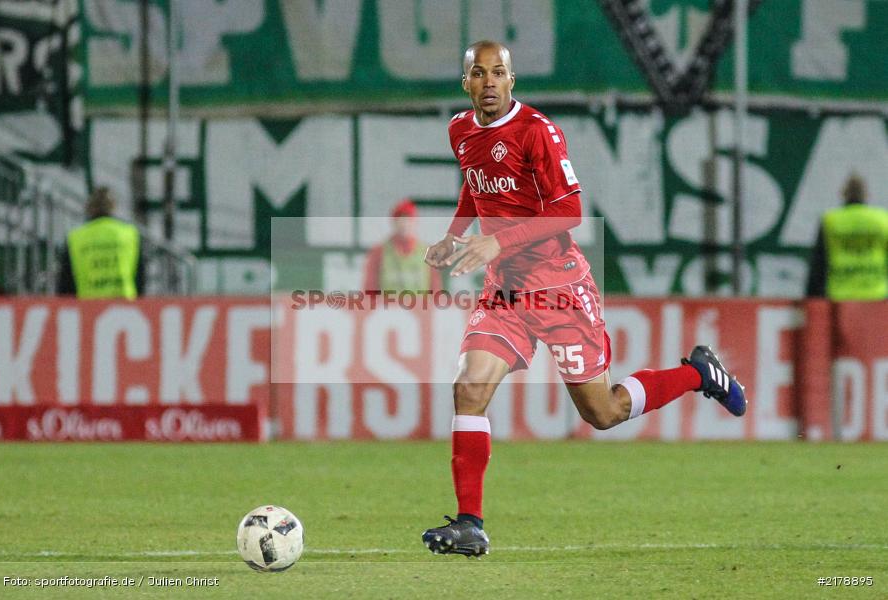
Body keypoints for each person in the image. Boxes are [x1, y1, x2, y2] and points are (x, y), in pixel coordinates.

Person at [420, 41, 747, 557]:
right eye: (478, 73)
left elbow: (570, 211)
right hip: (504, 293)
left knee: (603, 411)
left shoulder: (538, 132)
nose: (488, 82)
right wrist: (455, 234)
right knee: (468, 388)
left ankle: (698, 375)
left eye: (498, 73)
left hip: (559, 291)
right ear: (466, 83)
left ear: (512, 80)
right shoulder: (460, 130)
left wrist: (495, 240)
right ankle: (470, 523)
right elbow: (474, 185)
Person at [806, 174, 888, 301]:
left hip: (840, 295)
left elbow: (819, 263)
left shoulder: (831, 220)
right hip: (876, 293)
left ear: (843, 194)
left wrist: (813, 297)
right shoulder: (882, 219)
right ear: (867, 194)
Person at [58, 187, 145, 298]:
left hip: (87, 306)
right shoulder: (129, 234)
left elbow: (65, 282)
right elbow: (140, 277)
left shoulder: (76, 237)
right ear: (113, 206)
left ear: (89, 207)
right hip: (125, 306)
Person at [363, 198, 442, 293]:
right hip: (388, 307)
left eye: (408, 219)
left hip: (420, 307)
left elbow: (436, 291)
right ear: (394, 222)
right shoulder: (378, 253)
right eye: (400, 220)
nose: (404, 224)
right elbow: (369, 290)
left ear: (415, 222)